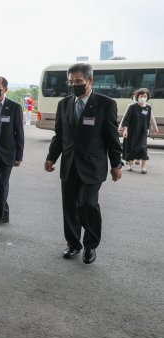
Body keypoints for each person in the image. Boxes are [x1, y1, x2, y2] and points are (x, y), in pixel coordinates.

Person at [45, 63, 123, 265]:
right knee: (69, 206)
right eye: (70, 82)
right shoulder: (64, 104)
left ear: (90, 80)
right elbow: (59, 135)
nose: (74, 85)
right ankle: (73, 244)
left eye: (78, 81)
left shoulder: (106, 104)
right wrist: (51, 157)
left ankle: (90, 246)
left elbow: (111, 137)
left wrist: (117, 164)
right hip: (69, 165)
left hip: (92, 166)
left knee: (87, 204)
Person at [0, 76, 24, 232]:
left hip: (7, 153)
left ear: (5, 89)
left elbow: (19, 133)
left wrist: (19, 156)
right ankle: (4, 213)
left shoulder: (14, 107)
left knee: (1, 185)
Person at [121, 88, 159, 174]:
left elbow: (149, 119)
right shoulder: (132, 107)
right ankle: (130, 165)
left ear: (147, 97)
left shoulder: (148, 108)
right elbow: (126, 119)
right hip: (132, 132)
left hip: (142, 132)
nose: (143, 98)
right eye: (141, 96)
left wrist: (153, 128)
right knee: (131, 148)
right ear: (137, 97)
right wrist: (125, 130)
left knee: (143, 149)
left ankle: (143, 167)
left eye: (145, 96)